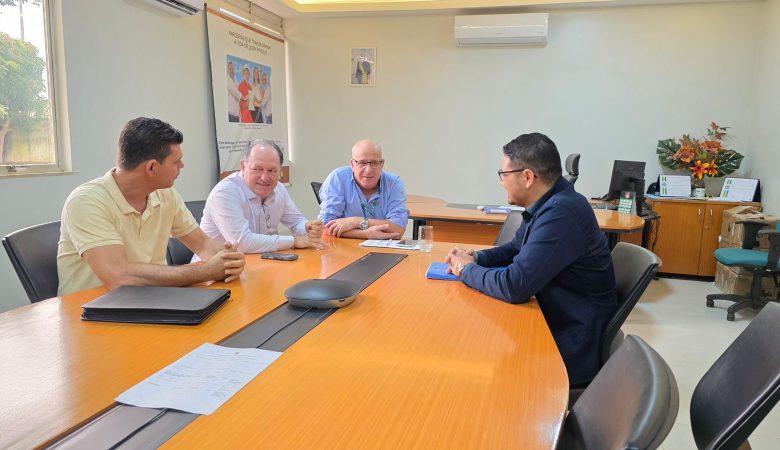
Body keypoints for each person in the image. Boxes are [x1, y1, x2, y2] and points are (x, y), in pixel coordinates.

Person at [444, 132, 617, 386]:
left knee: (472, 361)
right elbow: (516, 248)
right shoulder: (551, 203)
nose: (502, 182)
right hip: (557, 320)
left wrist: (465, 270)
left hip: (569, 343)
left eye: (504, 175)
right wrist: (477, 258)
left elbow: (515, 286)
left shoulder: (561, 213)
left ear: (527, 177)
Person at [57, 117, 246, 296]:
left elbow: (203, 244)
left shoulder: (165, 194)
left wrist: (227, 260)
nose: (182, 165)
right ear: (152, 167)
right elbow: (119, 277)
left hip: (151, 299)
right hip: (90, 314)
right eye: (176, 161)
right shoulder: (86, 202)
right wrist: (205, 272)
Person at [200, 139, 325, 253]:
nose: (265, 178)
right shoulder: (225, 193)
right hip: (214, 270)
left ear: (280, 170)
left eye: (272, 170)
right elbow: (242, 244)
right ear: (243, 167)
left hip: (260, 262)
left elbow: (296, 221)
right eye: (258, 169)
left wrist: (307, 227)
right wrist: (294, 241)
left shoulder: (279, 189)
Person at [318, 139, 407, 239]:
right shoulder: (338, 178)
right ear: (352, 164)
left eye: (374, 162)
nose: (368, 170)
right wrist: (365, 234)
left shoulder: (394, 183)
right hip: (342, 249)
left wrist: (355, 221)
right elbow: (325, 227)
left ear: (382, 164)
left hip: (382, 250)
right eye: (362, 163)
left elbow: (398, 229)